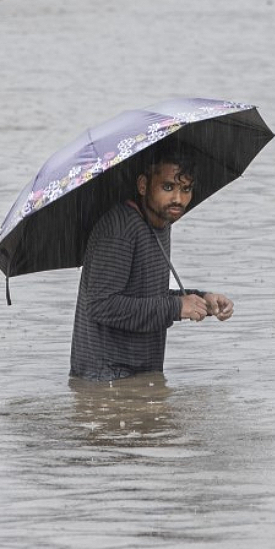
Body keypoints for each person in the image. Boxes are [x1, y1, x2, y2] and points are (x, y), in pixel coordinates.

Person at [69, 147, 234, 381]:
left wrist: (200, 299)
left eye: (186, 189)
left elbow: (143, 293)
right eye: (168, 187)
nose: (178, 199)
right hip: (106, 379)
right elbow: (102, 306)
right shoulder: (119, 229)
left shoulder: (161, 222)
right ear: (143, 185)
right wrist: (176, 308)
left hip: (140, 375)